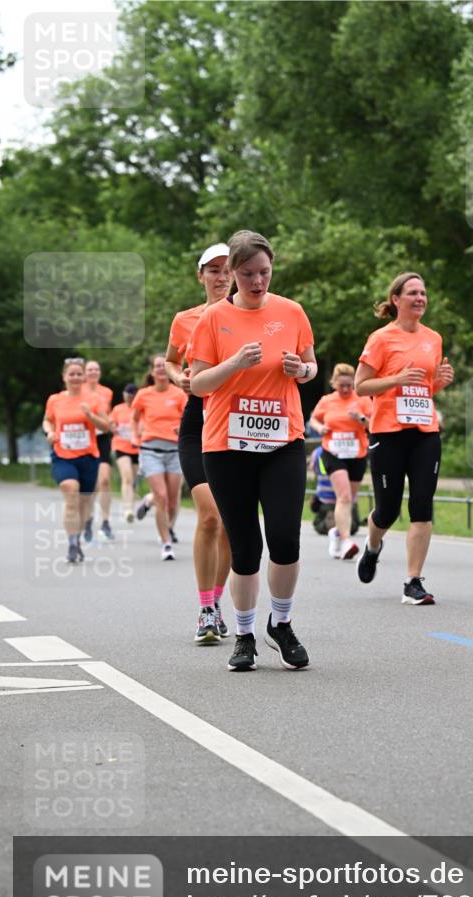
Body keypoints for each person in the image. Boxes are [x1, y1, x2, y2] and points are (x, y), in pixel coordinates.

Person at [191, 230, 317, 672]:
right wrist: (234, 364)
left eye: (264, 272)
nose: (257, 281)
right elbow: (198, 382)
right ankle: (243, 635)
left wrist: (302, 369)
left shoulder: (292, 311)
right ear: (231, 273)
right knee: (245, 545)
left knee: (285, 537)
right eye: (247, 274)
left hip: (282, 440)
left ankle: (280, 624)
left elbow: (311, 365)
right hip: (227, 445)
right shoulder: (212, 319)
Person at [354, 272, 454, 604]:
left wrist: (439, 382)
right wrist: (396, 379)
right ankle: (372, 547)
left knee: (422, 505)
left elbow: (423, 389)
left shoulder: (434, 339)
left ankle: (413, 582)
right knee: (387, 510)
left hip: (425, 432)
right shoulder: (381, 339)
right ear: (396, 300)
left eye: (423, 293)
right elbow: (361, 386)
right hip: (388, 431)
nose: (420, 298)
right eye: (412, 293)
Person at [165, 242, 233, 644]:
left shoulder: (248, 314)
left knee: (228, 523)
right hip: (198, 419)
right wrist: (177, 378)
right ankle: (205, 608)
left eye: (227, 269)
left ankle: (219, 601)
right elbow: (172, 360)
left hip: (235, 421)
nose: (221, 277)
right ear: (201, 276)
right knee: (209, 515)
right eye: (214, 270)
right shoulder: (184, 319)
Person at [42, 358, 111, 563]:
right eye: (71, 374)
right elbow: (47, 420)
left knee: (84, 502)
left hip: (88, 456)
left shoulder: (93, 399)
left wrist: (90, 415)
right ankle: (72, 543)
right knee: (70, 489)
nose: (75, 377)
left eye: (78, 374)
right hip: (62, 455)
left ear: (83, 377)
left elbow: (106, 426)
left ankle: (77, 538)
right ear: (64, 377)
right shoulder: (55, 400)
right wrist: (50, 432)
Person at [309, 363, 372, 560]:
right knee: (344, 496)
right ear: (334, 383)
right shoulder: (327, 400)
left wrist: (361, 419)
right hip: (333, 452)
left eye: (349, 385)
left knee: (350, 499)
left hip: (357, 454)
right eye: (341, 385)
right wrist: (320, 429)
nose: (345, 389)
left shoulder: (362, 399)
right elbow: (313, 419)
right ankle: (346, 541)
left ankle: (336, 533)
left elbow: (374, 423)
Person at [130, 356, 187, 561]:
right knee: (161, 497)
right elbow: (134, 419)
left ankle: (154, 511)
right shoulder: (143, 395)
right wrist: (135, 436)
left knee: (172, 502)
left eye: (164, 366)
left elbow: (189, 417)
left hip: (175, 451)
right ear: (152, 372)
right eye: (157, 367)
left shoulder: (179, 394)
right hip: (150, 450)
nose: (161, 369)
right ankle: (166, 543)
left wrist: (183, 429)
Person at [83, 359, 114, 541]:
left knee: (104, 481)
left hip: (101, 438)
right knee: (90, 485)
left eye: (96, 369)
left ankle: (106, 521)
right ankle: (87, 519)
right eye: (90, 369)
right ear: (85, 373)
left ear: (99, 373)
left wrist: (111, 423)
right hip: (85, 439)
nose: (93, 372)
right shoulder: (80, 390)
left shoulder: (107, 392)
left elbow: (106, 416)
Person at [110, 383, 140, 523]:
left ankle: (131, 507)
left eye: (132, 395)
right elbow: (111, 424)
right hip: (121, 446)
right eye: (127, 395)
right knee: (127, 477)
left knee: (133, 480)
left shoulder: (140, 409)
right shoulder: (118, 409)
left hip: (137, 447)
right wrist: (113, 427)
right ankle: (127, 509)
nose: (129, 398)